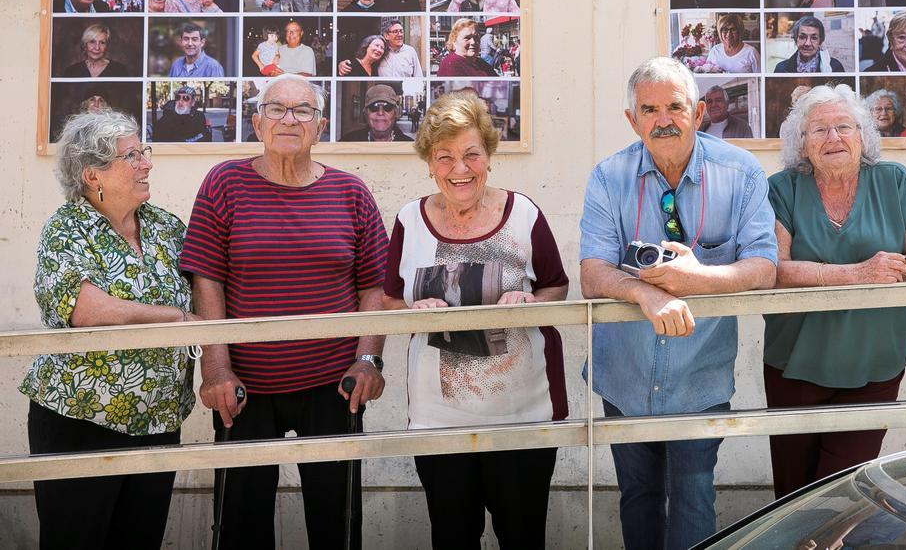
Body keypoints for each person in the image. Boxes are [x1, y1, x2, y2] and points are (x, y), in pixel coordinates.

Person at [180, 76, 387, 549]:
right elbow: (206, 278)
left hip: (335, 386)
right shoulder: (224, 183)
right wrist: (215, 367)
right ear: (256, 122)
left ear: (320, 126)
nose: (289, 119)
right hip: (245, 388)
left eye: (303, 111)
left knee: (337, 522)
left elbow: (373, 284)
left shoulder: (350, 192)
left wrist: (368, 360)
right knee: (240, 524)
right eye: (276, 109)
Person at [579, 57, 777, 549]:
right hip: (625, 372)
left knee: (693, 497)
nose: (663, 120)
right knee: (638, 494)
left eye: (675, 106)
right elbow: (592, 273)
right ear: (632, 119)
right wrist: (644, 291)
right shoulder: (608, 177)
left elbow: (764, 267)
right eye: (649, 109)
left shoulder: (741, 172)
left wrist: (700, 278)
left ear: (700, 111)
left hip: (699, 374)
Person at [383, 91, 567, 548]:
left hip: (522, 417)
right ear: (429, 162)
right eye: (445, 157)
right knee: (452, 536)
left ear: (489, 155)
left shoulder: (523, 214)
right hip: (437, 421)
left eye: (471, 154)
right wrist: (412, 311)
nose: (460, 169)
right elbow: (388, 301)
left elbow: (556, 285)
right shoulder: (409, 220)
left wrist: (531, 303)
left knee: (523, 537)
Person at [22, 110, 198, 549]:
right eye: (132, 156)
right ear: (92, 173)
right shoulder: (67, 229)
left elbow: (207, 290)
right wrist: (173, 317)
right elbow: (84, 308)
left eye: (144, 152)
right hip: (80, 419)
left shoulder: (165, 227)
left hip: (157, 420)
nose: (147, 163)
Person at [765, 84, 906, 497]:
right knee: (793, 495)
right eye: (819, 130)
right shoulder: (782, 189)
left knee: (843, 491)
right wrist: (859, 272)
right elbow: (774, 269)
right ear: (801, 144)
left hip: (875, 362)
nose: (833, 138)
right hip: (796, 363)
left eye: (844, 126)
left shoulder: (893, 181)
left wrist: (888, 267)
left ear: (862, 135)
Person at [774, 15, 846, 73]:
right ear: (796, 39)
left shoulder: (835, 68)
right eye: (802, 37)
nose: (807, 43)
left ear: (820, 41)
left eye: (814, 38)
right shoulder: (781, 69)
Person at [341, 84, 412, 141]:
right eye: (373, 107)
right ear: (365, 112)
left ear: (395, 112)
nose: (380, 113)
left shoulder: (411, 148)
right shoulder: (347, 143)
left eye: (387, 107)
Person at [64, 23, 130, 78]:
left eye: (102, 43)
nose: (97, 48)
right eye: (92, 42)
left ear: (106, 46)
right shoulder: (71, 71)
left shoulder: (120, 71)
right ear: (85, 45)